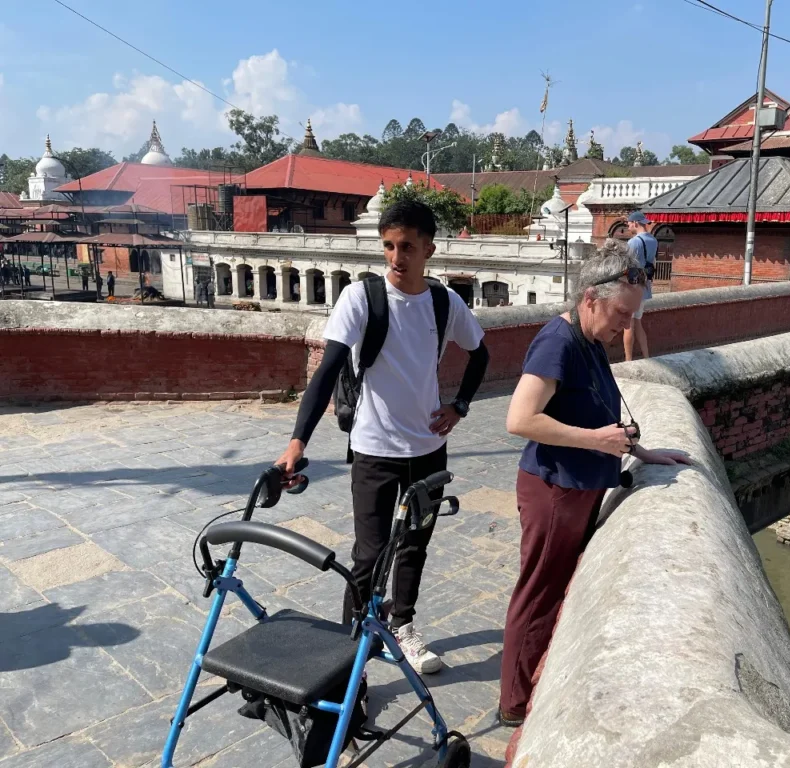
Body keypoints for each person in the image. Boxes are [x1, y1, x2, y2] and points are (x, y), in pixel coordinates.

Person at [274, 199, 490, 675]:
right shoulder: (360, 298)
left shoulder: (443, 302)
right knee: (369, 556)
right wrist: (298, 441)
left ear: (429, 249)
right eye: (389, 246)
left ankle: (403, 624)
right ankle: (353, 656)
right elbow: (328, 370)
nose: (396, 257)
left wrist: (459, 406)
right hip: (374, 449)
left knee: (415, 543)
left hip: (429, 449)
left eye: (408, 247)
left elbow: (480, 354)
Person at [498, 239, 691, 727]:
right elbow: (519, 419)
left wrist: (642, 452)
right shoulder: (558, 342)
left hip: (576, 485)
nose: (627, 325)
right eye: (622, 314)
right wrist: (595, 440)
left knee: (555, 587)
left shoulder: (589, 340)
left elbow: (603, 412)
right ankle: (514, 704)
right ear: (590, 299)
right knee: (539, 592)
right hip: (554, 489)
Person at [621, 211, 658, 361]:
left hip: (633, 287)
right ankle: (646, 356)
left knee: (628, 325)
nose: (629, 226)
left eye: (629, 223)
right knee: (638, 322)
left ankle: (628, 360)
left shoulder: (633, 242)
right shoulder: (654, 240)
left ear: (635, 223)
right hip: (645, 287)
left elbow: (625, 265)